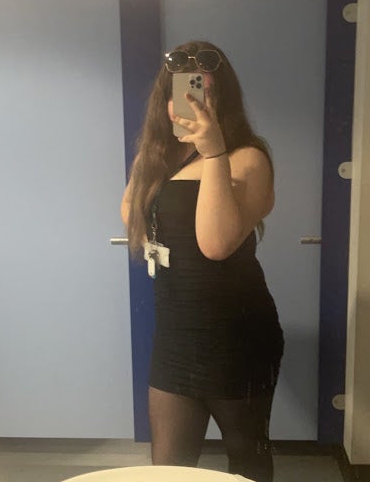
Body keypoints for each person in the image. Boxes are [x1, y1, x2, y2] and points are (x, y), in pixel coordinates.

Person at [120, 40, 284, 482]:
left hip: (237, 338)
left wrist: (213, 153)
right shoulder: (158, 156)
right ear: (167, 95)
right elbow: (131, 215)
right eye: (185, 89)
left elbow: (215, 244)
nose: (194, 100)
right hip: (175, 336)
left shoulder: (248, 158)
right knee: (168, 470)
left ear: (222, 95)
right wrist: (152, 153)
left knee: (247, 461)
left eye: (204, 90)